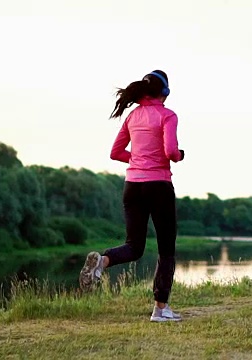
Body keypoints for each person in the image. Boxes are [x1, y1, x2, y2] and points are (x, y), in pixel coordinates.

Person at [79, 70, 185, 322]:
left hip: (132, 186)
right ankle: (160, 309)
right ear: (165, 92)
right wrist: (179, 155)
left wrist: (137, 158)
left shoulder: (132, 116)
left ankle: (102, 262)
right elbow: (170, 151)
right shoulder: (168, 115)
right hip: (158, 185)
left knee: (134, 246)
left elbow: (115, 152)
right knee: (166, 247)